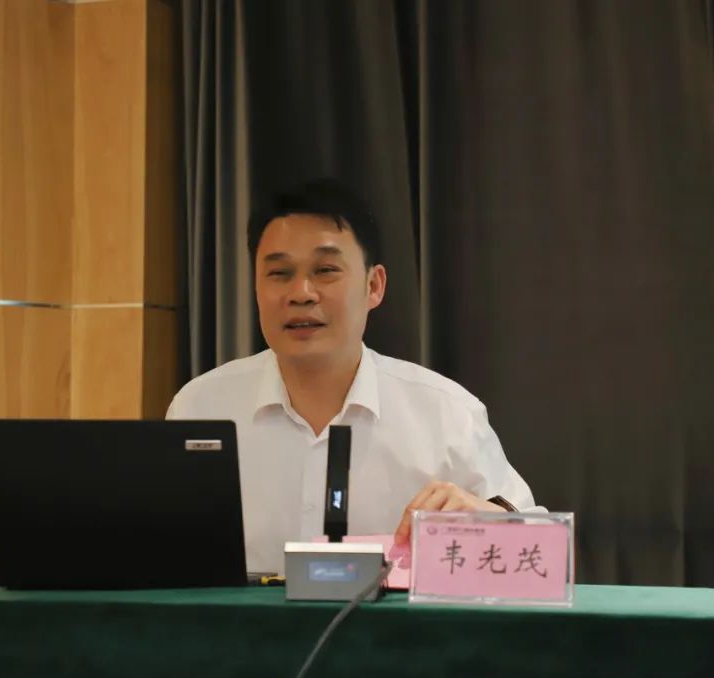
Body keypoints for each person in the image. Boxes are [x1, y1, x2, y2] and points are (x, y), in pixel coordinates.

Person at [167, 179, 542, 573]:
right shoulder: (201, 406)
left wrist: (488, 521)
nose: (301, 293)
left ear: (374, 285)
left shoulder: (446, 413)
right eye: (279, 273)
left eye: (325, 270)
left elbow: (540, 553)